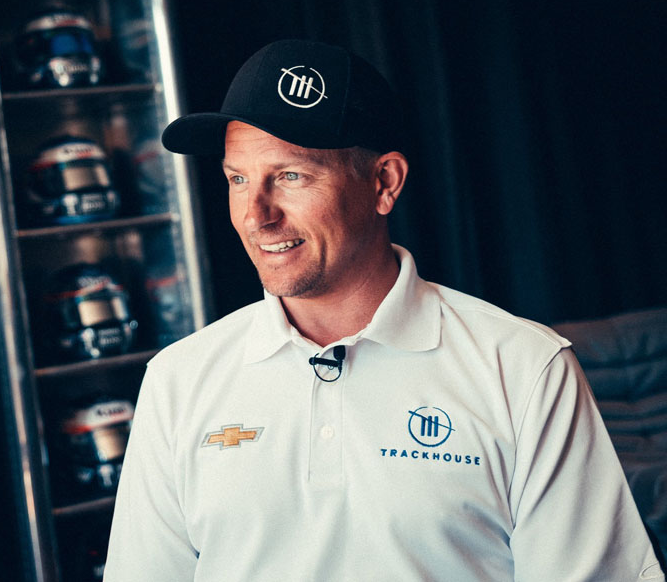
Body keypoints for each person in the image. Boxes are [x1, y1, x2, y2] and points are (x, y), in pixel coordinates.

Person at [103, 39, 664, 581]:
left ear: (384, 182)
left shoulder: (523, 368)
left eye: (291, 176)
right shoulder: (178, 380)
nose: (257, 215)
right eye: (238, 179)